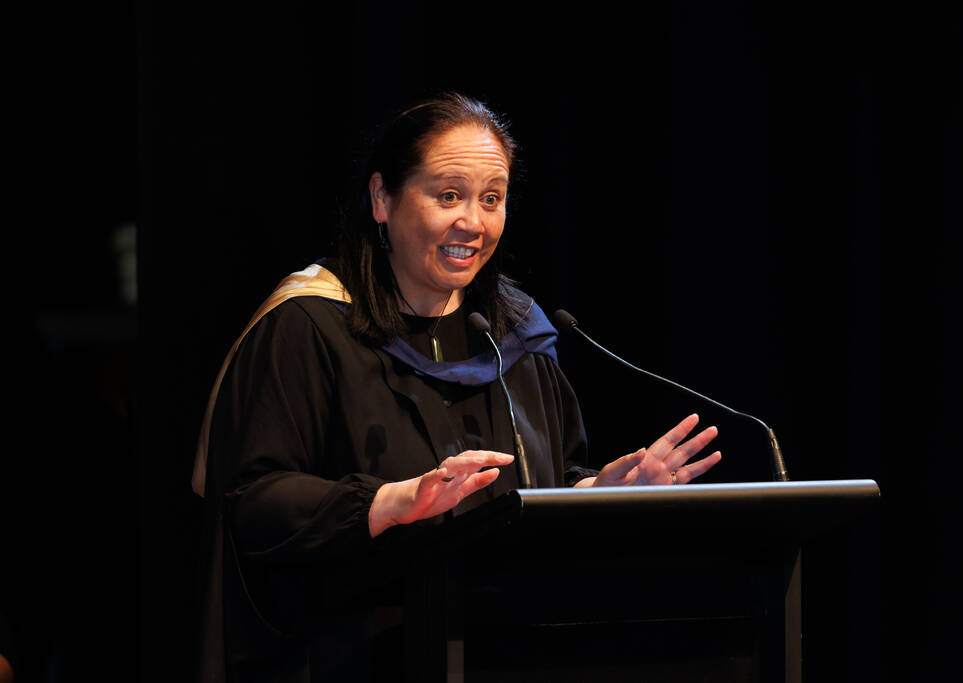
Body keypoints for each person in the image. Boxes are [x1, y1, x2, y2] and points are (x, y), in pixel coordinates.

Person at [192, 92, 722, 682]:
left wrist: (598, 492)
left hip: (510, 654)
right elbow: (253, 501)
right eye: (448, 195)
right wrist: (390, 503)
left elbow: (549, 483)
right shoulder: (311, 326)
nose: (473, 221)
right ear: (381, 199)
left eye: (491, 199)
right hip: (354, 659)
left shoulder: (513, 333)